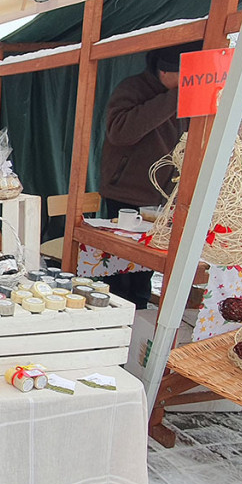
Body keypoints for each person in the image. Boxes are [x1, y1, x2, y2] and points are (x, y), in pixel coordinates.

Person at [99, 43, 196, 309]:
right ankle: (113, 311)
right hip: (125, 191)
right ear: (165, 72)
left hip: (164, 196)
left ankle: (138, 311)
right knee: (118, 263)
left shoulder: (187, 93)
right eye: (185, 75)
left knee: (145, 264)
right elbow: (120, 133)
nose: (189, 82)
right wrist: (173, 99)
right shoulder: (133, 88)